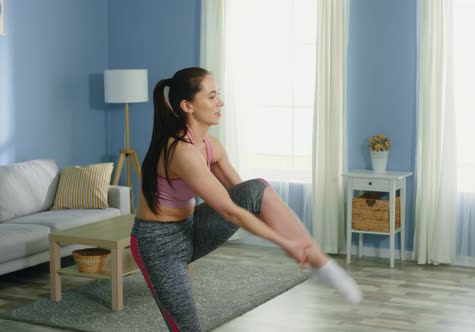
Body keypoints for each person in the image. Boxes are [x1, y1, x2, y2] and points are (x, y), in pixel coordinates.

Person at [130, 67, 362, 332]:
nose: (221, 103)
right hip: (159, 245)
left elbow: (247, 198)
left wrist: (294, 243)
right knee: (186, 328)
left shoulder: (210, 146)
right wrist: (284, 242)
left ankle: (322, 263)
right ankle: (307, 254)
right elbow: (231, 212)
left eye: (219, 95)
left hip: (191, 228)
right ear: (187, 106)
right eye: (212, 97)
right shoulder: (181, 152)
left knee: (257, 188)